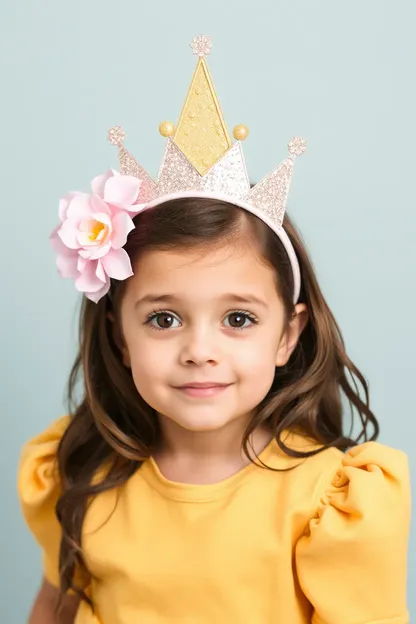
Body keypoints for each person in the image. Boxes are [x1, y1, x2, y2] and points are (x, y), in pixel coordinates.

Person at [18, 35, 411, 624]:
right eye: (164, 318)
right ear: (119, 335)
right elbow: (55, 606)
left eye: (238, 319)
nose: (199, 351)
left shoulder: (330, 501)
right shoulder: (80, 477)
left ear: (288, 335)